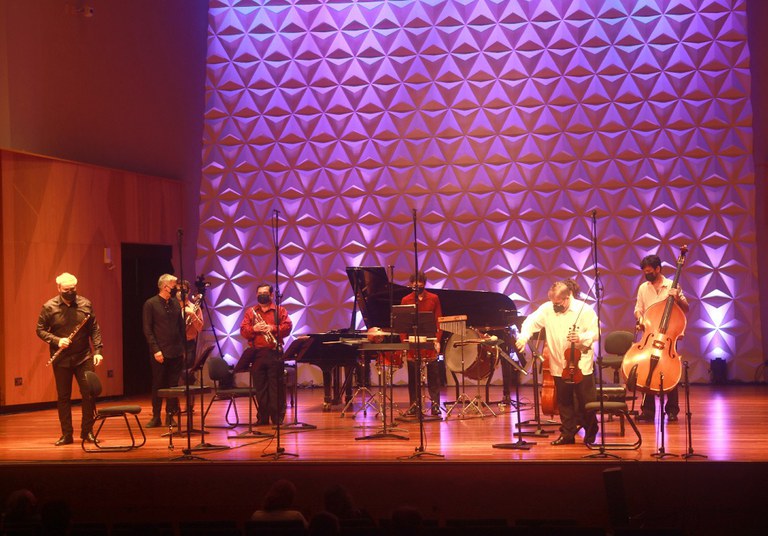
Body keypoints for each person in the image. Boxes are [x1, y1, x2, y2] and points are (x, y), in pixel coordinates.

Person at [515, 280, 599, 445]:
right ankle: (568, 435)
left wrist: (581, 337)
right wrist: (524, 336)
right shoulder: (547, 309)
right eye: (553, 303)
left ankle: (591, 430)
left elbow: (596, 332)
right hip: (558, 364)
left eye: (558, 303)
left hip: (581, 364)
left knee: (586, 401)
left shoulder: (585, 310)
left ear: (568, 298)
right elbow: (530, 322)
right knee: (564, 401)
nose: (554, 306)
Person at [36, 272, 104, 446]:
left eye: (72, 289)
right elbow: (40, 330)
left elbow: (94, 329)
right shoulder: (49, 307)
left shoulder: (85, 304)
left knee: (88, 394)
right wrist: (58, 340)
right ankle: (67, 434)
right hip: (62, 358)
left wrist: (98, 350)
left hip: (84, 356)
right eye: (66, 289)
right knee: (63, 397)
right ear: (59, 288)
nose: (70, 292)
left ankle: (87, 432)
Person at [634, 254, 689, 423]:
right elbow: (638, 309)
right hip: (650, 335)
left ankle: (672, 410)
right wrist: (640, 319)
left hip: (667, 336)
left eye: (649, 271)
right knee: (646, 369)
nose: (647, 274)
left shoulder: (672, 285)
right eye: (645, 272)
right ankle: (648, 410)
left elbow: (686, 309)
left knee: (669, 371)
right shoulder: (644, 288)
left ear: (658, 269)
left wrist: (677, 297)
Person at [240, 283, 292, 425]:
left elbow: (288, 327)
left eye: (265, 293)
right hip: (257, 354)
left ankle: (277, 417)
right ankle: (262, 417)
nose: (262, 295)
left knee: (276, 386)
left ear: (271, 295)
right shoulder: (251, 312)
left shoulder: (280, 310)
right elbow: (243, 331)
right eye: (259, 293)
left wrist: (272, 327)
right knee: (260, 387)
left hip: (274, 352)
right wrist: (255, 329)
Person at [142, 273, 186, 428]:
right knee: (159, 384)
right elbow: (147, 329)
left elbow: (181, 327)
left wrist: (182, 348)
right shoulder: (151, 304)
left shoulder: (175, 303)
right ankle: (156, 416)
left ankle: (170, 415)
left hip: (176, 350)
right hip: (159, 351)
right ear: (164, 286)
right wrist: (156, 350)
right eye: (173, 286)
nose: (175, 289)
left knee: (173, 385)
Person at [400, 271, 443, 416]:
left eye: (419, 282)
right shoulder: (406, 300)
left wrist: (437, 340)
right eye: (414, 282)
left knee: (433, 374)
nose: (416, 284)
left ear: (423, 283)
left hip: (429, 341)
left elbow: (438, 321)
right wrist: (404, 343)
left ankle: (435, 405)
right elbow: (402, 324)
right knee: (413, 376)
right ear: (411, 284)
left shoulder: (433, 298)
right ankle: (414, 404)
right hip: (413, 342)